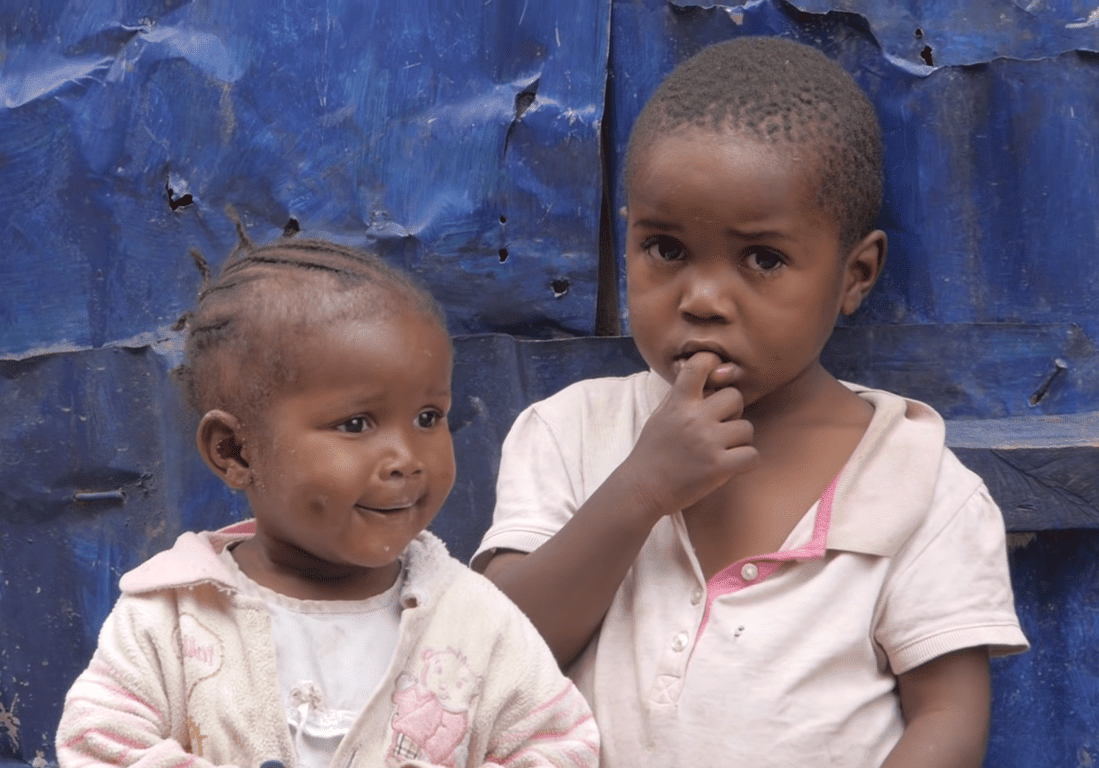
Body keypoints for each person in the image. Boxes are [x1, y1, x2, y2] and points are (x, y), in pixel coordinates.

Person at [474, 36, 1028, 768]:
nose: (701, 300)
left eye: (762, 259)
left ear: (855, 274)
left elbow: (947, 717)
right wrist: (639, 489)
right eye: (665, 248)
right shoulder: (569, 433)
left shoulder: (918, 485)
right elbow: (493, 659)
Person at [56, 236, 598, 768]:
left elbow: (561, 744)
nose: (407, 458)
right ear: (235, 450)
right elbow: (96, 744)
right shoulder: (174, 617)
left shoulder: (472, 618)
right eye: (356, 424)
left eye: (428, 417)